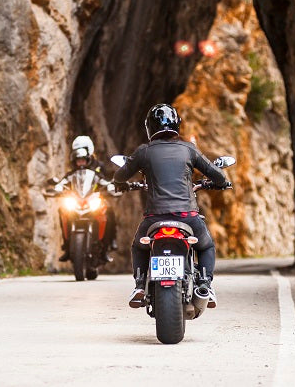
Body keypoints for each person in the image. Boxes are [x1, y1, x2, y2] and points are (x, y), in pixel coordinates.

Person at [113, 104, 230, 308]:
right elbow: (217, 175)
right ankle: (205, 284)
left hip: (155, 218)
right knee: (206, 245)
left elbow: (120, 175)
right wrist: (220, 183)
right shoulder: (189, 149)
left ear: (149, 127)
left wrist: (121, 184)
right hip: (187, 216)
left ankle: (140, 285)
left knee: (139, 246)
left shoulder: (144, 152)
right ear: (177, 125)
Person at [55, 135, 118, 262]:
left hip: (96, 198)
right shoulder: (74, 169)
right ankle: (67, 245)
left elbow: (104, 179)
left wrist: (109, 188)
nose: (80, 161)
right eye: (77, 157)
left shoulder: (98, 166)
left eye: (82, 151)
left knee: (109, 212)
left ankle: (109, 243)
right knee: (62, 211)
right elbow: (68, 181)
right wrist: (59, 189)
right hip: (78, 200)